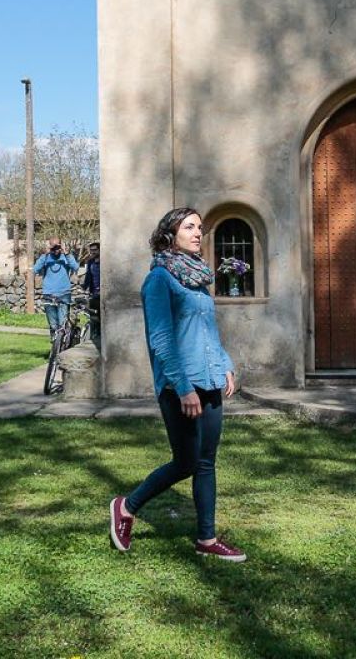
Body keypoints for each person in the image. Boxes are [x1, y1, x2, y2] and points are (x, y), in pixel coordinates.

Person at [109, 208, 244, 562]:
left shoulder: (199, 280)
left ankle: (207, 538)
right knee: (185, 461)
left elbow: (207, 331)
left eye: (200, 227)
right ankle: (127, 506)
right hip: (180, 385)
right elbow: (162, 339)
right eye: (189, 227)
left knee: (206, 462)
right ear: (170, 234)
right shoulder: (159, 280)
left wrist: (225, 364)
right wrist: (183, 387)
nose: (199, 232)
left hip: (211, 377)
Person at [32, 239, 79, 337]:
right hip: (49, 294)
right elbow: (35, 269)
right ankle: (55, 347)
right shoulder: (45, 257)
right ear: (50, 246)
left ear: (61, 245)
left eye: (58, 247)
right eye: (53, 247)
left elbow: (75, 267)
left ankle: (63, 346)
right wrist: (45, 254)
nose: (56, 250)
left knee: (63, 324)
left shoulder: (66, 257)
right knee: (53, 325)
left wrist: (66, 253)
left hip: (64, 293)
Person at [82, 242, 102, 351]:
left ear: (100, 250)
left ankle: (99, 337)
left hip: (102, 294)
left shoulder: (104, 262)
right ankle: (94, 336)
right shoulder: (90, 262)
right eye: (91, 250)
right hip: (93, 293)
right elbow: (88, 277)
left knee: (100, 317)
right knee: (93, 317)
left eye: (95, 250)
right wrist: (84, 287)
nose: (93, 252)